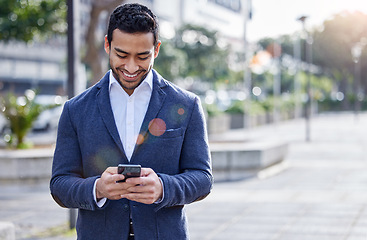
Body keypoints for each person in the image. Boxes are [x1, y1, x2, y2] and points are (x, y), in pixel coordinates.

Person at [50, 3, 213, 240]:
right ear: (107, 45)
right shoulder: (76, 109)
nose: (131, 67)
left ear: (156, 49)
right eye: (122, 54)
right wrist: (97, 189)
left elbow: (203, 178)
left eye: (142, 56)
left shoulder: (187, 105)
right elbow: (59, 184)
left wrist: (163, 188)